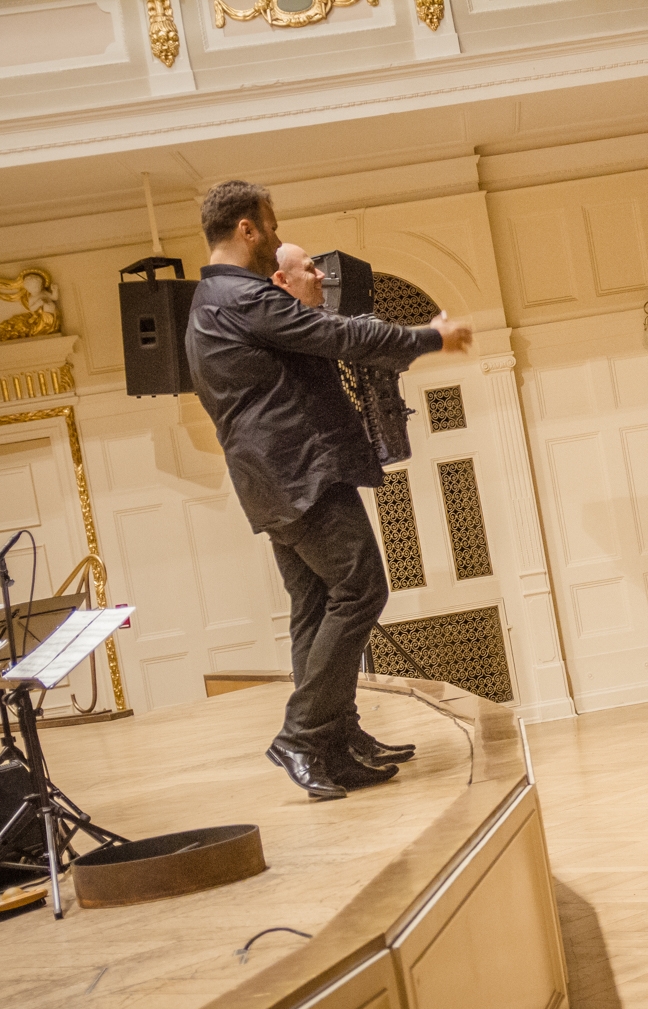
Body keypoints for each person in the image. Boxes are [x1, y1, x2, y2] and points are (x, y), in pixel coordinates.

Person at [187, 182, 473, 799]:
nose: (274, 231)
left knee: (315, 606)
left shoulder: (214, 301)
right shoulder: (241, 297)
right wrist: (432, 337)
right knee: (361, 588)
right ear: (247, 229)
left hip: (275, 481)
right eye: (271, 222)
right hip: (299, 475)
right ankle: (303, 735)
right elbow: (342, 337)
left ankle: (334, 741)